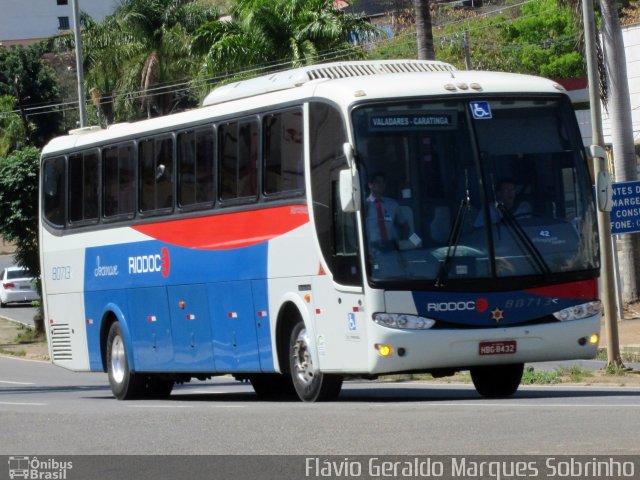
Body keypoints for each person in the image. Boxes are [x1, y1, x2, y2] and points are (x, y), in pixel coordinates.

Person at [365, 172, 409, 251]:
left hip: (390, 245)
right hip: (372, 246)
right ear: (370, 185)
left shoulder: (392, 204)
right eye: (378, 182)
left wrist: (403, 242)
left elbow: (404, 224)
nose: (381, 185)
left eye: (383, 182)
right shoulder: (365, 205)